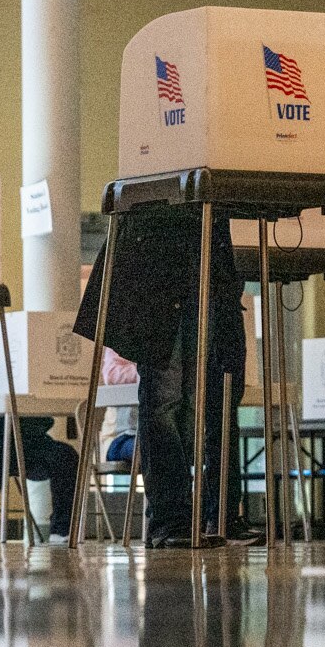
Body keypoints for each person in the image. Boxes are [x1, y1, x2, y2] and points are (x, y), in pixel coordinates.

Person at [75, 203, 246, 549]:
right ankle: (170, 519)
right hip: (163, 266)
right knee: (167, 400)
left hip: (196, 266)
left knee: (185, 402)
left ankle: (179, 518)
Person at [0, 320, 80, 544]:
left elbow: (45, 417)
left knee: (66, 455)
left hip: (28, 442)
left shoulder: (36, 372)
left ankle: (61, 529)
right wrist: (24, 385)